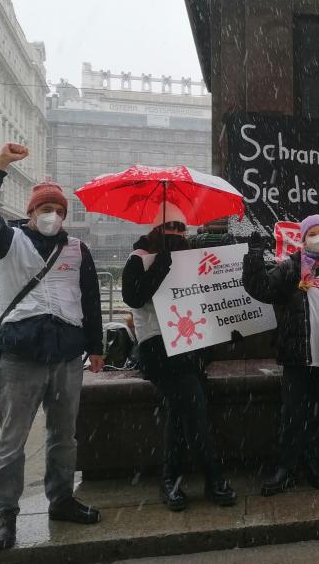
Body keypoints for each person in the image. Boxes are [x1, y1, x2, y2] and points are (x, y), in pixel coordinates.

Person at [0, 143, 104, 552]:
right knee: (13, 439)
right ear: (30, 213)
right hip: (20, 356)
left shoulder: (78, 250)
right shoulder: (7, 240)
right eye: (46, 209)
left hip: (66, 357)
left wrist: (95, 348)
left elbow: (90, 300)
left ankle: (60, 499)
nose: (53, 216)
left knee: (64, 436)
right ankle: (6, 515)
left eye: (58, 211)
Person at [121, 203, 236, 512]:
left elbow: (208, 301)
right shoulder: (139, 260)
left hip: (189, 349)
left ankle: (170, 479)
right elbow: (134, 297)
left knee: (179, 412)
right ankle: (213, 478)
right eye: (169, 227)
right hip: (158, 349)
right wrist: (163, 264)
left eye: (180, 228)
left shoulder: (191, 261)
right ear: (156, 230)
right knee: (194, 410)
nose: (176, 233)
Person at [243, 215, 319, 496]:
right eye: (312, 234)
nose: (318, 238)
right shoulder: (291, 269)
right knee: (292, 417)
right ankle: (285, 468)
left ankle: (315, 463)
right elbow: (261, 289)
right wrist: (254, 256)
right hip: (298, 358)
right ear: (303, 238)